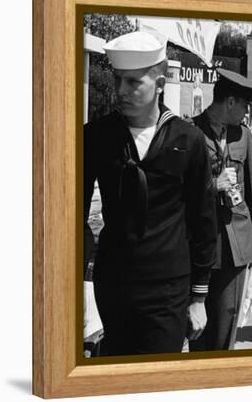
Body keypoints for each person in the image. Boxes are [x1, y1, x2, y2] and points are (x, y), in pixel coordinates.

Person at [84, 31, 217, 356]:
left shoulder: (189, 139)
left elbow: (203, 223)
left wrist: (198, 298)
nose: (120, 91)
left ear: (159, 83)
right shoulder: (97, 136)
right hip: (113, 284)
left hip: (168, 288)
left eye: (133, 82)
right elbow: (72, 212)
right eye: (117, 80)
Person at [190, 68, 252, 351]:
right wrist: (212, 185)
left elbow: (251, 190)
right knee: (198, 325)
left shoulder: (244, 136)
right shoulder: (191, 131)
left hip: (236, 242)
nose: (247, 112)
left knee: (227, 320)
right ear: (230, 102)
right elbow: (181, 190)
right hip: (202, 243)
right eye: (245, 105)